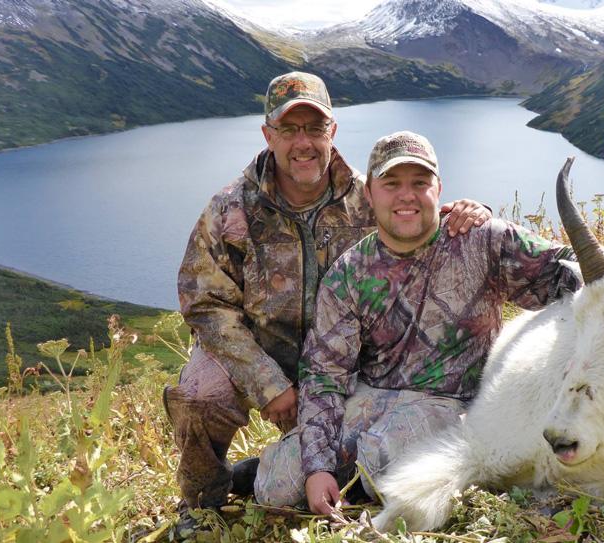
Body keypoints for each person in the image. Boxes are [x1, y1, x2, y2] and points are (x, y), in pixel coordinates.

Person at [164, 72, 490, 516]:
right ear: (267, 134)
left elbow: (417, 223)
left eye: (315, 128)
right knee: (201, 395)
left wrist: (469, 216)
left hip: (347, 359)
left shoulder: (368, 197)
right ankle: (201, 502)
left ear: (332, 131)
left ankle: (272, 469)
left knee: (363, 439)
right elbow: (204, 304)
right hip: (260, 351)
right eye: (289, 129)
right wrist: (268, 382)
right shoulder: (230, 208)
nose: (303, 143)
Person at [252, 131, 581, 514]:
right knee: (277, 487)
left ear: (438, 188)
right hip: (372, 396)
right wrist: (317, 469)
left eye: (419, 183)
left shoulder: (483, 240)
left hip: (454, 403)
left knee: (379, 465)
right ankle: (290, 472)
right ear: (369, 193)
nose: (406, 195)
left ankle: (360, 478)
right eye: (391, 184)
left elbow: (574, 271)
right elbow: (323, 375)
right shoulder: (349, 273)